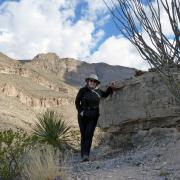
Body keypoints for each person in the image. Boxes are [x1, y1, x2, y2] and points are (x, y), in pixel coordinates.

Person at [75, 74, 116, 162]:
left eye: (95, 81)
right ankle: (83, 154)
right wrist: (81, 112)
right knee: (83, 135)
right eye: (91, 81)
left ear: (96, 83)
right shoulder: (82, 91)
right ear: (88, 81)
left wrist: (110, 87)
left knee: (89, 135)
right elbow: (77, 102)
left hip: (93, 116)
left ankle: (86, 155)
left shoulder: (98, 92)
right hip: (82, 116)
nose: (93, 83)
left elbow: (105, 94)